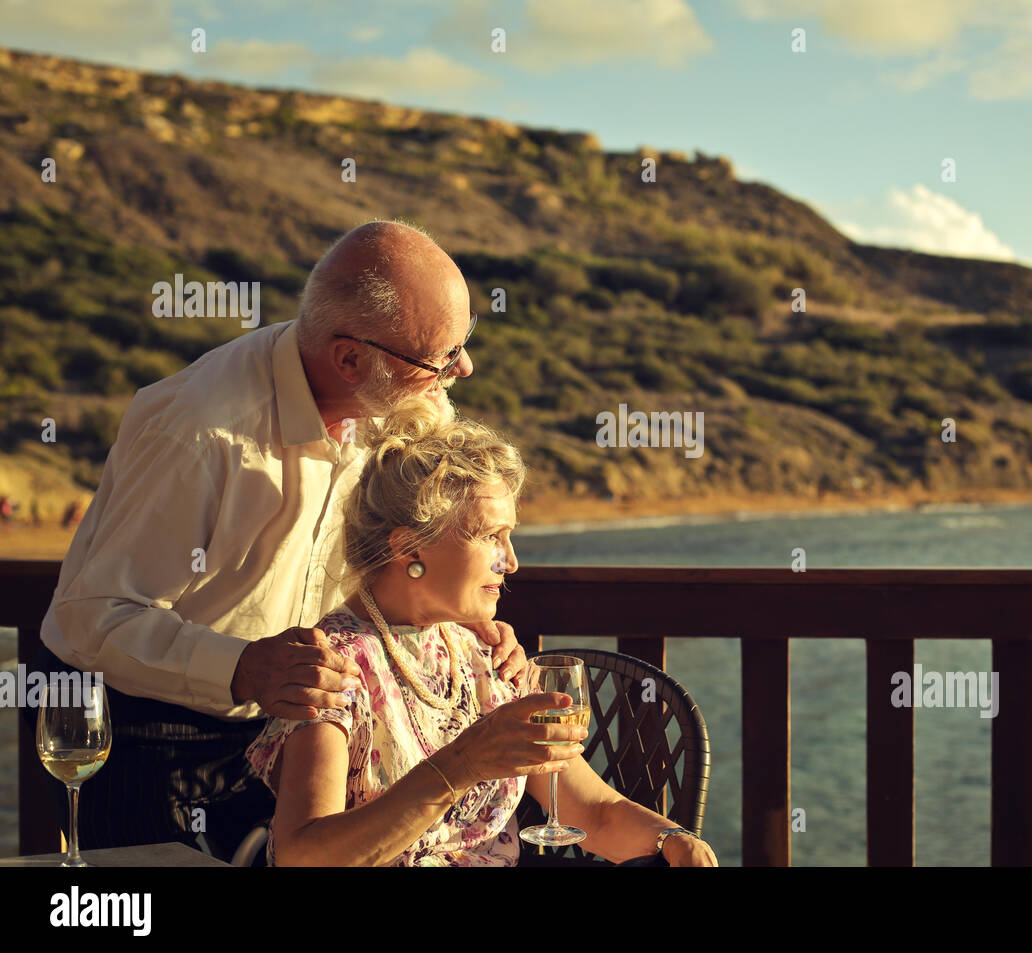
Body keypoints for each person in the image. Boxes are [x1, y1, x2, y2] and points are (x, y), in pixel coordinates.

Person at [31, 220, 526, 860]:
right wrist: (243, 667)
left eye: (465, 342)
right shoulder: (201, 431)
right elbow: (90, 616)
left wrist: (464, 629)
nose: (463, 368)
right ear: (349, 358)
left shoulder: (406, 397)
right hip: (145, 726)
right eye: (440, 357)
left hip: (288, 723)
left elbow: (424, 537)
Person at [246, 410, 718, 866]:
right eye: (491, 536)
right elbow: (304, 858)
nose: (509, 562)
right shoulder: (333, 668)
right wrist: (464, 763)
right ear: (409, 547)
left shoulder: (481, 655)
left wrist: (674, 840)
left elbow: (591, 812)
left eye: (508, 537)